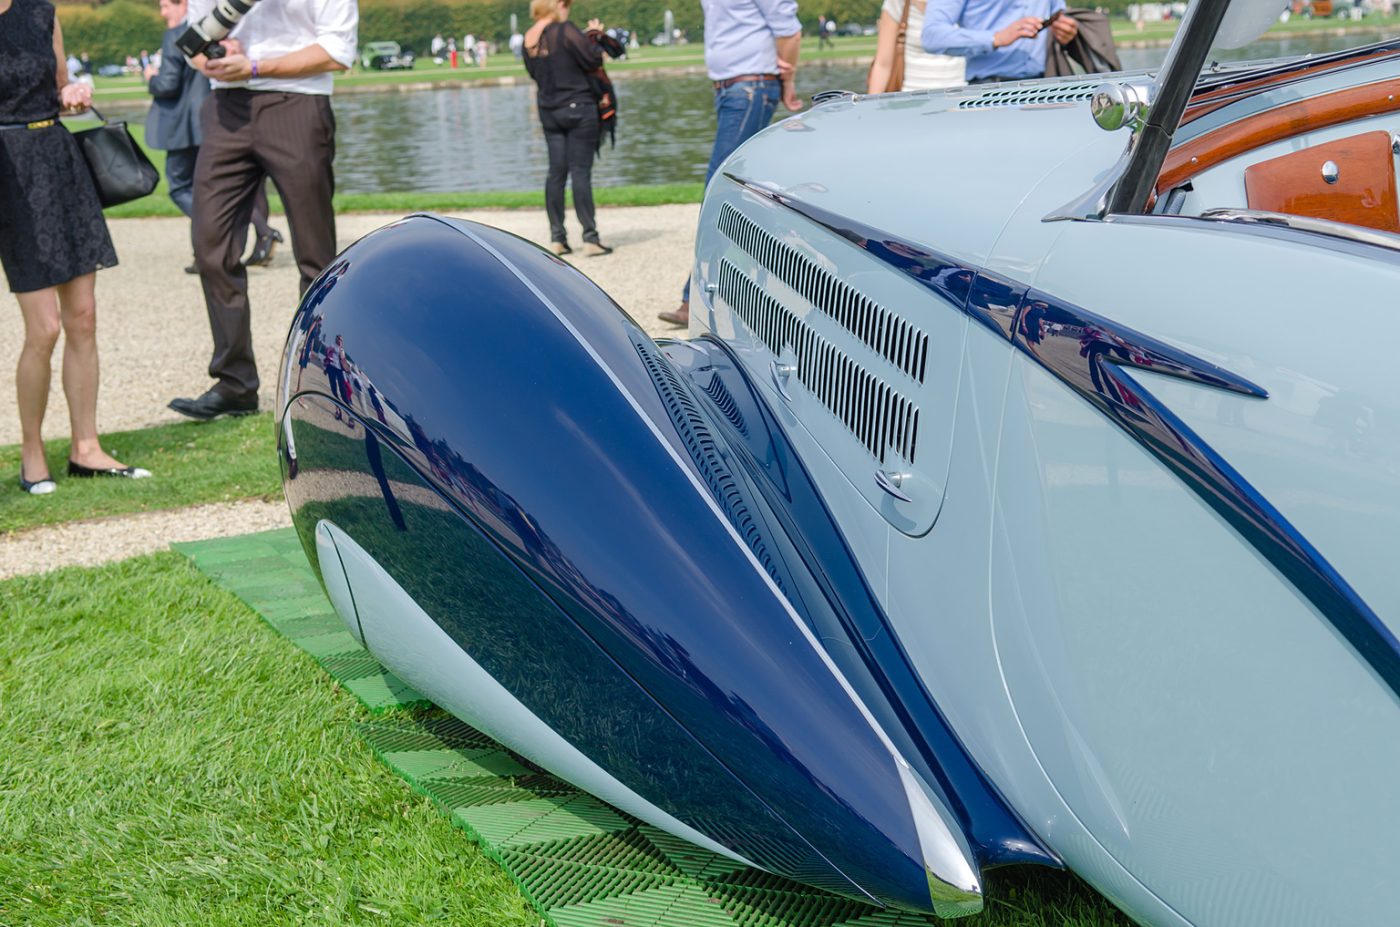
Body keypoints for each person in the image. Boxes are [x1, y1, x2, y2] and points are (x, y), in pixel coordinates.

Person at [167, 0, 357, 421]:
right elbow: (194, 39)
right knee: (211, 250)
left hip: (298, 102)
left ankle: (322, 384)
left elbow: (337, 51)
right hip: (226, 107)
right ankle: (235, 384)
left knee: (316, 257)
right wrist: (211, 61)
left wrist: (254, 66)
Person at [0, 0, 150, 492]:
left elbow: (60, 82)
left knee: (83, 317)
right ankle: (32, 453)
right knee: (44, 327)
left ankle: (86, 448)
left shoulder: (41, 11)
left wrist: (71, 94)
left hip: (58, 159)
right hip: (9, 172)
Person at [657, 0, 802, 327]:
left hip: (749, 87)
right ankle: (767, 287)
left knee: (719, 190)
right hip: (733, 89)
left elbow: (789, 31)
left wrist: (788, 81)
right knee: (747, 193)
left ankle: (694, 296)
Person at [524, 0, 614, 258]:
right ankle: (590, 238)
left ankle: (557, 238)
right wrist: (595, 36)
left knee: (556, 173)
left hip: (549, 110)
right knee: (580, 172)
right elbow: (591, 59)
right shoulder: (564, 30)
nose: (567, 8)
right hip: (578, 106)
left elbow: (534, 74)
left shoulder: (529, 37)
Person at [921, 0, 1077, 84]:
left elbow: (1058, 13)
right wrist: (995, 38)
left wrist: (1065, 31)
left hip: (1047, 87)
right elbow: (932, 36)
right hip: (990, 92)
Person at [866, 0, 965, 93]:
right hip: (911, 97)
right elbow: (883, 64)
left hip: (962, 96)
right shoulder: (899, 2)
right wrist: (871, 104)